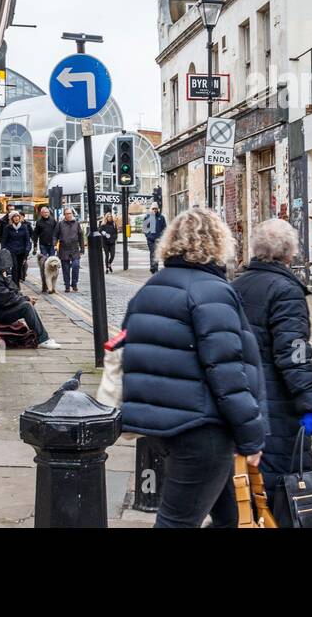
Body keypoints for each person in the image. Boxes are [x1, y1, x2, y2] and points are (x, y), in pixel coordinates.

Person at [120, 208, 266, 528]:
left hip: (166, 427)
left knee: (231, 515)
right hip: (202, 430)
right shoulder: (212, 292)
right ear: (219, 242)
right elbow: (228, 373)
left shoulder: (151, 288)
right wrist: (253, 436)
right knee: (177, 521)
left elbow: (131, 354)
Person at [231, 218, 312, 524]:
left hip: (244, 398)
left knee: (251, 481)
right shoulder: (286, 290)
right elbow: (295, 353)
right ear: (290, 253)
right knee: (283, 483)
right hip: (278, 404)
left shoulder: (235, 285)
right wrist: (311, 403)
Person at [0, 247, 60, 349]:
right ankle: (43, 339)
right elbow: (6, 299)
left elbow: (14, 291)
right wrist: (26, 299)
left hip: (1, 309)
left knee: (26, 305)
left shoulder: (0, 275)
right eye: (7, 266)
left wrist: (8, 279)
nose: (8, 268)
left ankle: (42, 336)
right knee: (26, 307)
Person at [54, 207, 83, 292]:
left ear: (72, 214)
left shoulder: (77, 224)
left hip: (74, 249)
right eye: (67, 214)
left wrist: (82, 249)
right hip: (64, 249)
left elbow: (81, 237)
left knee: (76, 266)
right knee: (65, 269)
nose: (69, 215)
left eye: (70, 213)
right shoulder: (60, 224)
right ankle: (67, 285)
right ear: (64, 215)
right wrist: (55, 244)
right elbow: (55, 235)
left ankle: (74, 284)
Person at [1, 210, 32, 287]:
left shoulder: (24, 227)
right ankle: (16, 285)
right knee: (14, 267)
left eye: (17, 216)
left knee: (19, 268)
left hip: (21, 251)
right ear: (11, 219)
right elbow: (4, 241)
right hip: (11, 251)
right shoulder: (8, 228)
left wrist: (27, 249)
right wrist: (3, 250)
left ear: (19, 217)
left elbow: (27, 240)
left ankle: (17, 282)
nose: (16, 218)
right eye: (14, 217)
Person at [33, 205, 57, 293]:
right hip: (43, 245)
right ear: (41, 213)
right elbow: (35, 234)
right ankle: (45, 284)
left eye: (47, 212)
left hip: (52, 245)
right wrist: (35, 245)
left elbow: (56, 232)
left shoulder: (53, 220)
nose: (46, 214)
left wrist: (56, 243)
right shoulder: (38, 222)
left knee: (52, 264)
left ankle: (51, 284)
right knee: (44, 264)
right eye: (44, 212)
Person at [142, 205, 167, 273]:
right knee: (153, 252)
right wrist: (148, 236)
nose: (154, 210)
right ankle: (153, 267)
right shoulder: (148, 217)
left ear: (158, 209)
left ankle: (154, 267)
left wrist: (162, 236)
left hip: (158, 239)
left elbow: (164, 228)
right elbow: (144, 229)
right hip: (150, 239)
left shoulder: (161, 217)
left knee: (156, 253)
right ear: (151, 209)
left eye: (155, 209)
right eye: (153, 209)